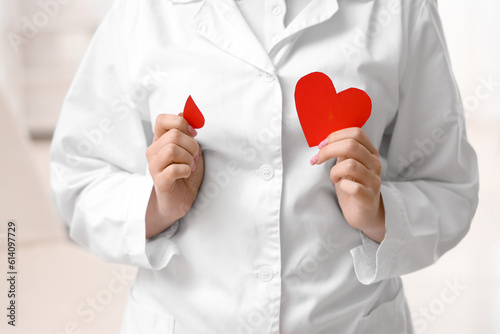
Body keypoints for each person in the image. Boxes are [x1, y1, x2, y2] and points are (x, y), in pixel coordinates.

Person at [49, 0, 479, 333]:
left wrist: (380, 212)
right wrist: (157, 206)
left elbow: (448, 184)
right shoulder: (145, 11)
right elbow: (78, 178)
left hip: (347, 321)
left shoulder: (398, 9)